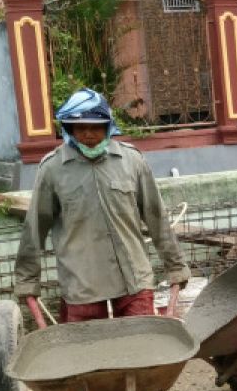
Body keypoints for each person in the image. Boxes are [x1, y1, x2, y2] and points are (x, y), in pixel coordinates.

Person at [14, 89, 190, 324]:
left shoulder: (131, 161)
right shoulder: (53, 169)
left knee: (143, 348)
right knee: (87, 354)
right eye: (80, 128)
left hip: (133, 279)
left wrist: (176, 266)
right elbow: (34, 229)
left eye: (95, 127)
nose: (88, 134)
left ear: (108, 127)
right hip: (82, 285)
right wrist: (27, 281)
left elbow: (156, 218)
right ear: (69, 129)